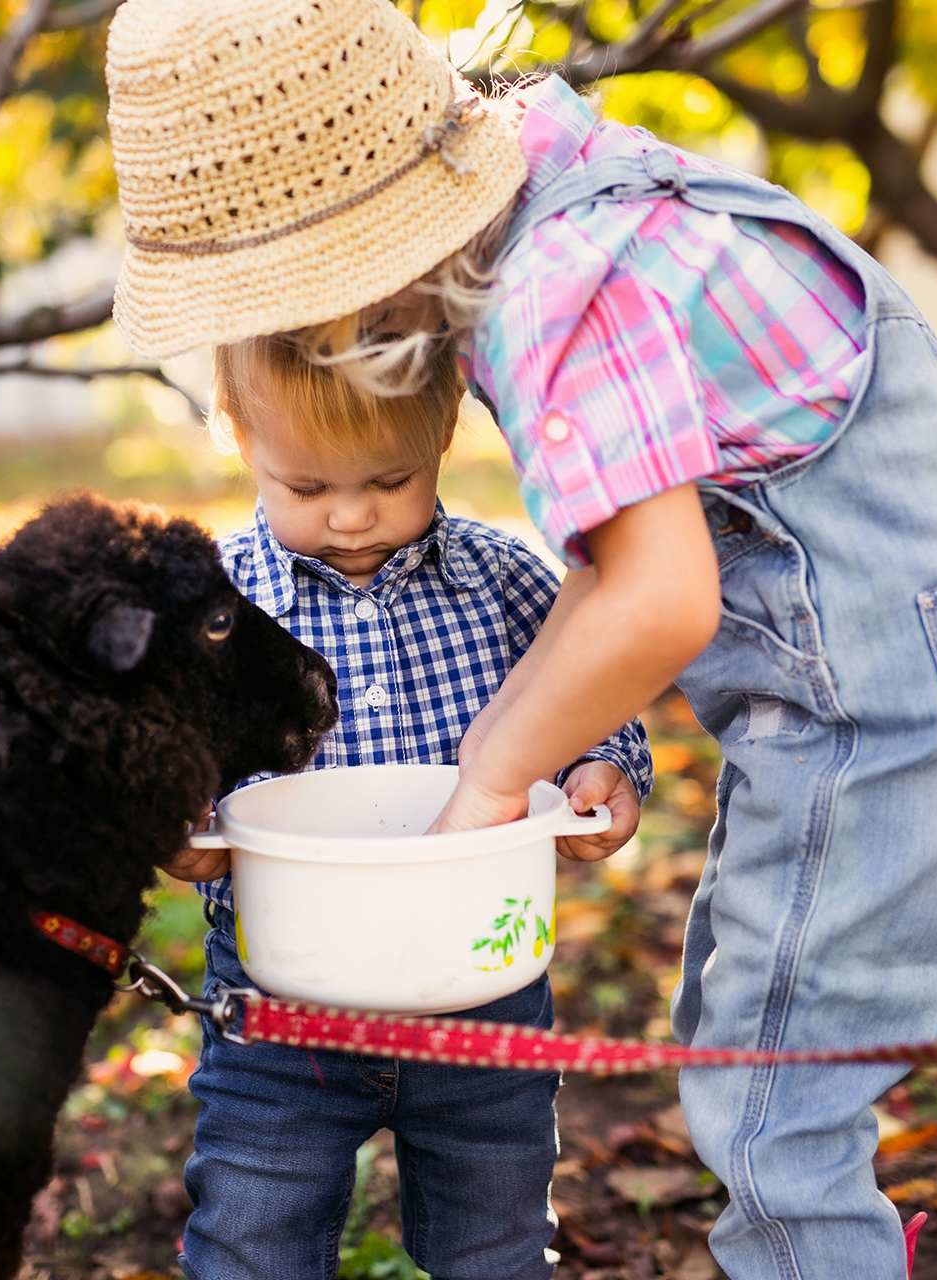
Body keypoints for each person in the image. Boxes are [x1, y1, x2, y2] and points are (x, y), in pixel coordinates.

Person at [106, 2, 937, 1277]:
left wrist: (493, 776)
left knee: (777, 1098)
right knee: (743, 1015)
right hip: (865, 670)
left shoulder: (556, 288)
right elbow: (622, 563)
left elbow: (660, 600)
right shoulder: (574, 186)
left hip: (892, 696)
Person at [162, 333, 652, 1278]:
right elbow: (174, 754)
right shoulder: (215, 606)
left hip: (482, 984)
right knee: (250, 1234)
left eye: (389, 479)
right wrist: (184, 823)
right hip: (284, 1001)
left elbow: (590, 686)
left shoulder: (505, 581)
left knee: (497, 1237)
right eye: (306, 488)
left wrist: (604, 766)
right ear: (236, 434)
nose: (350, 516)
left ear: (445, 433)